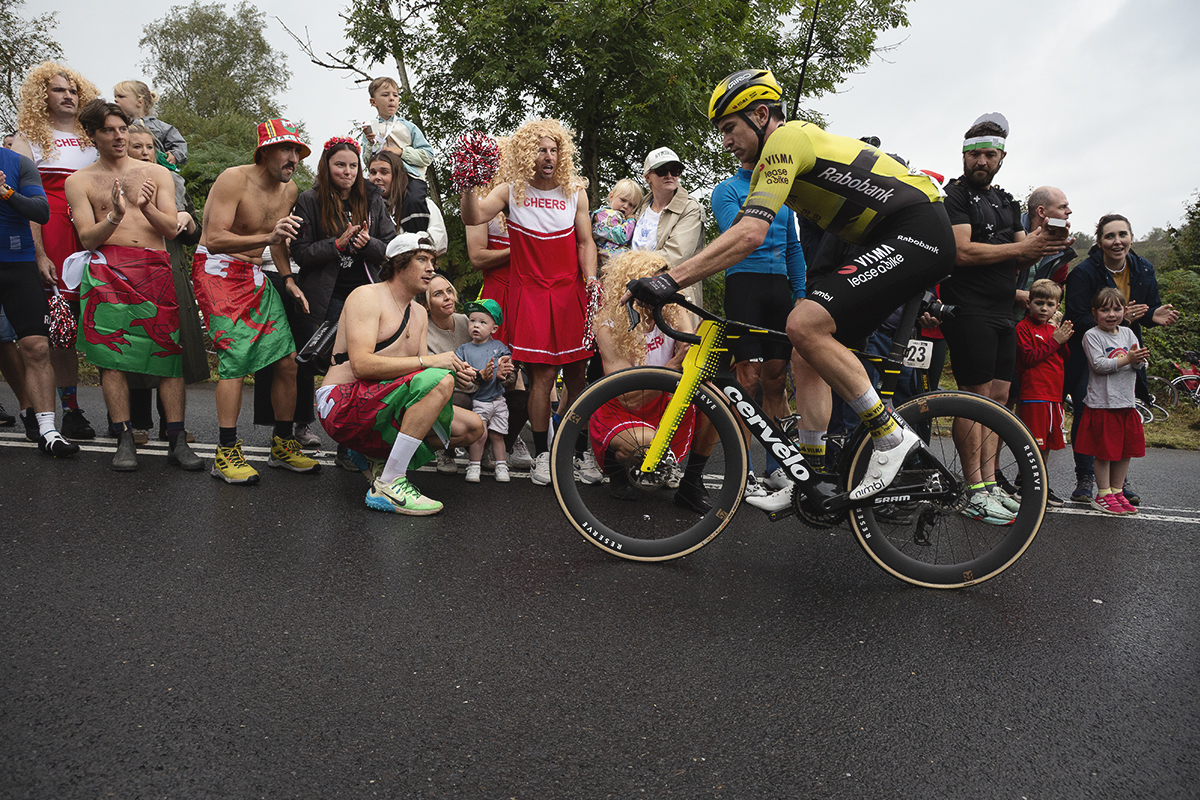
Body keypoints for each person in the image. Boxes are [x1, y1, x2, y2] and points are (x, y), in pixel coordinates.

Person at [626, 69, 954, 505]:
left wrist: (669, 280)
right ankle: (810, 476)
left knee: (803, 324)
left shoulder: (786, 141)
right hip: (889, 237)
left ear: (761, 115)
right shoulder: (771, 161)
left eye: (730, 128)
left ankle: (891, 437)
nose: (726, 142)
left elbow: (749, 235)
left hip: (919, 228)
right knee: (805, 350)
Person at [938, 113, 1068, 520]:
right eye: (974, 154)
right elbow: (962, 251)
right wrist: (1020, 250)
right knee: (973, 400)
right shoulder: (954, 197)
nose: (981, 161)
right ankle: (972, 489)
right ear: (964, 156)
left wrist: (1045, 240)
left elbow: (1025, 250)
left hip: (1002, 312)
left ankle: (990, 483)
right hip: (969, 310)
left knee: (997, 402)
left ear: (1001, 158)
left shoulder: (1006, 201)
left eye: (989, 155)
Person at [63, 100, 202, 471]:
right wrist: (115, 215)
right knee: (112, 359)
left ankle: (176, 438)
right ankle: (125, 437)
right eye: (108, 130)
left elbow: (172, 227)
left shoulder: (155, 173)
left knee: (167, 357)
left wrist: (145, 207)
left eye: (122, 128)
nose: (119, 136)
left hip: (155, 268)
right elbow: (88, 238)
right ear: (91, 134)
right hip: (107, 269)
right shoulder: (79, 181)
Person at [460, 119, 597, 486]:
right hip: (531, 291)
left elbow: (585, 243)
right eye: (540, 149)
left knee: (579, 376)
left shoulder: (576, 192)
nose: (548, 156)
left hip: (571, 291)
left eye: (553, 149)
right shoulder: (510, 190)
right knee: (543, 376)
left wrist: (593, 280)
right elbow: (473, 216)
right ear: (526, 154)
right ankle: (542, 455)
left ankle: (574, 447)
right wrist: (469, 183)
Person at [315, 232, 483, 514]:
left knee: (473, 427)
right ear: (398, 264)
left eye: (432, 260)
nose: (431, 267)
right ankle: (390, 482)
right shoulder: (366, 296)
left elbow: (419, 378)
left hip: (377, 402)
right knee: (438, 379)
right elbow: (362, 366)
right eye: (422, 259)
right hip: (340, 404)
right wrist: (431, 364)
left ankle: (374, 455)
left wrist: (456, 369)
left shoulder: (418, 312)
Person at [192, 118, 320, 484]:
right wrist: (269, 234)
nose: (292, 157)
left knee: (288, 361)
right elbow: (214, 238)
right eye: (285, 149)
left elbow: (277, 242)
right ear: (264, 152)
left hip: (254, 274)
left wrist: (290, 280)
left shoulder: (290, 190)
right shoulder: (234, 179)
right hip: (216, 270)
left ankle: (282, 443)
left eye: (296, 150)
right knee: (234, 360)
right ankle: (225, 451)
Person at [711, 144, 806, 505]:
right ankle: (743, 467)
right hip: (744, 283)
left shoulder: (784, 193)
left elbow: (793, 247)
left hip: (778, 287)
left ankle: (775, 464)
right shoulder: (727, 189)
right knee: (747, 378)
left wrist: (799, 292)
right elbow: (735, 232)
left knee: (776, 379)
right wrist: (760, 200)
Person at [1064, 214, 1178, 505]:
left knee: (1120, 416)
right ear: (1100, 241)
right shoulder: (1084, 273)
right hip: (1087, 351)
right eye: (1110, 236)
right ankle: (1086, 478)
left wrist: (1153, 316)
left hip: (1125, 351)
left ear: (1131, 237)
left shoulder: (1143, 268)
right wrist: (1116, 320)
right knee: (1089, 414)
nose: (1117, 242)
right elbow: (1076, 317)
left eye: (1122, 235)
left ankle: (1117, 484)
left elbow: (1145, 311)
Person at [12, 61, 100, 440]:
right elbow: (26, 203)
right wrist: (39, 253)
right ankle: (69, 409)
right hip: (50, 236)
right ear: (41, 97)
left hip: (93, 232)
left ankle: (125, 416)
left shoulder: (93, 136)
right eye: (59, 90)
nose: (68, 96)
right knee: (57, 331)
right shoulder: (26, 138)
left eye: (73, 90)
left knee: (99, 323)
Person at [592, 250, 710, 512]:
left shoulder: (672, 310)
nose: (660, 290)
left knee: (719, 403)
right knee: (647, 445)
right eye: (654, 282)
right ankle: (617, 468)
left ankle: (691, 484)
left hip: (664, 400)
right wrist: (674, 364)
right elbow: (627, 397)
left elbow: (690, 359)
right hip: (624, 410)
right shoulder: (609, 328)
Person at [123, 122, 205, 444]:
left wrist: (187, 222)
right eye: (137, 147)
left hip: (171, 268)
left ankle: (171, 427)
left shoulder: (173, 182)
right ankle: (139, 424)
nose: (145, 152)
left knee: (172, 345)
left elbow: (194, 235)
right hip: (134, 272)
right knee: (138, 346)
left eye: (149, 147)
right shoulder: (116, 181)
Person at [0, 132, 78, 456]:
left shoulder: (18, 163)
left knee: (36, 347)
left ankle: (48, 431)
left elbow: (41, 212)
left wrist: (6, 192)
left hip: (17, 264)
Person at [1074, 288, 1149, 515]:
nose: (1111, 314)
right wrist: (1128, 358)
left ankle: (1117, 491)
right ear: (1095, 312)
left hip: (1126, 403)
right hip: (1103, 404)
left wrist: (1137, 361)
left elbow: (1141, 365)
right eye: (1105, 310)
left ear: (1124, 311)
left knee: (1125, 451)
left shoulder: (1128, 333)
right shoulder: (1092, 335)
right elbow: (1099, 365)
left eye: (1117, 309)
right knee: (1105, 452)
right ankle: (1103, 494)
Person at [1014, 279, 1072, 508]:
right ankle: (1025, 484)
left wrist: (1062, 340)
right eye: (1039, 303)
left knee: (1047, 443)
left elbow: (1064, 357)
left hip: (1053, 396)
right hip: (1034, 394)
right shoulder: (1023, 328)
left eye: (1050, 304)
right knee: (1033, 443)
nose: (1044, 308)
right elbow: (1028, 358)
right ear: (1029, 303)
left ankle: (1040, 483)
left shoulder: (1052, 328)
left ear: (1057, 307)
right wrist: (1055, 341)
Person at [632, 147, 705, 316]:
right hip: (640, 295)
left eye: (675, 170)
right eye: (662, 170)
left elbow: (674, 256)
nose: (670, 175)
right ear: (647, 177)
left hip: (674, 299)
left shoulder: (690, 208)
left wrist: (626, 269)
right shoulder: (640, 207)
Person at [455, 298, 516, 483]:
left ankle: (501, 465)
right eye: (472, 320)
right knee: (479, 435)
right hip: (479, 401)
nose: (476, 326)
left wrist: (503, 373)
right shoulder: (463, 350)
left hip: (498, 400)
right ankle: (474, 465)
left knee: (498, 436)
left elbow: (508, 369)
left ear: (494, 328)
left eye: (483, 322)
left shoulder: (499, 348)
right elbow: (460, 373)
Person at [358, 76, 435, 208]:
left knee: (414, 200)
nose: (392, 98)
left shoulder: (409, 127)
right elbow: (367, 161)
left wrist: (401, 152)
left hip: (408, 178)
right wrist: (370, 143)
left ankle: (418, 229)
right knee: (363, 202)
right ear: (373, 101)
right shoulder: (370, 129)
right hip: (381, 181)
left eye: (395, 95)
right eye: (385, 95)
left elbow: (428, 156)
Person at [367, 150, 447, 252]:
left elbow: (438, 241)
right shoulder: (368, 209)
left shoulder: (423, 203)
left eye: (384, 172)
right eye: (373, 172)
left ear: (397, 175)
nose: (377, 177)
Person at [112, 80, 187, 167]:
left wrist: (175, 155)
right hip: (126, 171)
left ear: (139, 102)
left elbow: (179, 144)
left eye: (121, 96)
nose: (115, 100)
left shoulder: (160, 126)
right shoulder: (117, 127)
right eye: (115, 96)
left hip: (158, 172)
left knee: (176, 179)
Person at [592, 178, 642, 270]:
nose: (626, 206)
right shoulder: (606, 215)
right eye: (623, 200)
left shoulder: (616, 216)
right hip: (609, 264)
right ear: (611, 197)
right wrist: (631, 220)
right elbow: (621, 236)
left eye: (631, 205)